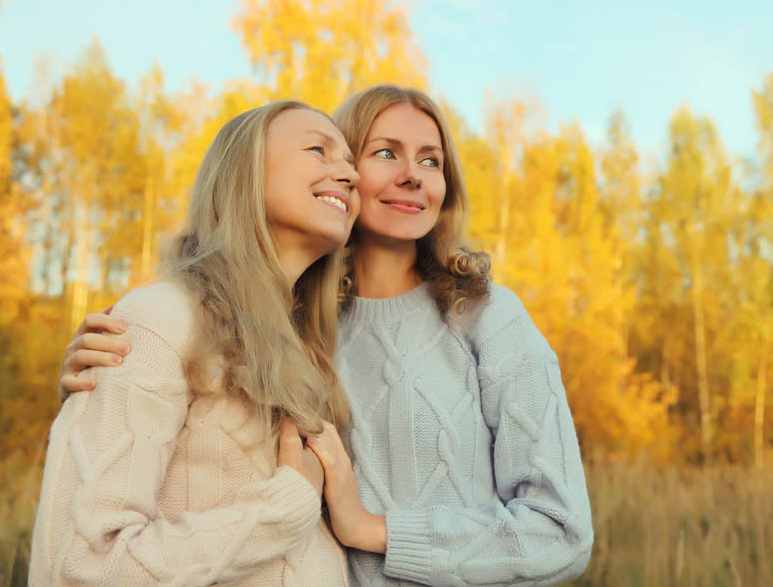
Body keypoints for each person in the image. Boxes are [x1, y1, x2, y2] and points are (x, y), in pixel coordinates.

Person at [60, 85, 594, 586]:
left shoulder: (487, 315)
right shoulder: (290, 330)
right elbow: (196, 463)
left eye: (431, 161)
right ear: (346, 175)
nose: (413, 175)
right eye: (386, 153)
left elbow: (560, 531)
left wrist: (373, 530)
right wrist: (98, 387)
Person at [31, 100, 359, 586]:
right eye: (319, 150)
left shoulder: (311, 357)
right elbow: (80, 565)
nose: (349, 175)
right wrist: (284, 507)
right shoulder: (158, 321)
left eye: (352, 164)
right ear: (243, 173)